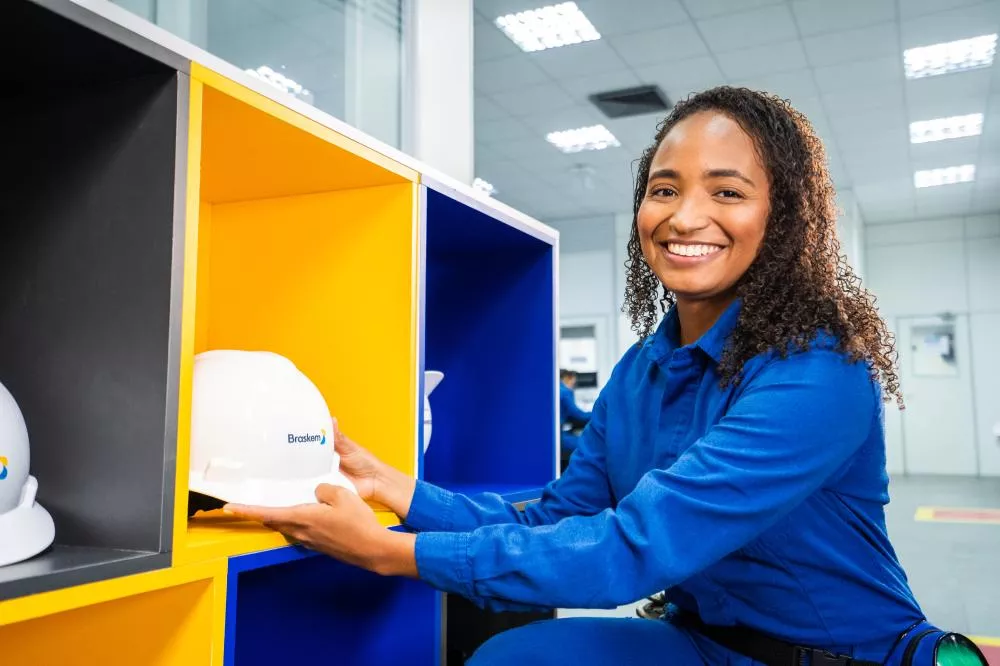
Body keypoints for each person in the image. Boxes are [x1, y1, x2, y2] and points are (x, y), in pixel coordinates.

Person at [225, 87, 982, 665]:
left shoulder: (819, 368)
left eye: (727, 191)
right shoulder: (640, 372)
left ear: (782, 220)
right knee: (509, 658)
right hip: (705, 640)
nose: (684, 217)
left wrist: (390, 552)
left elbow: (632, 549)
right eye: (664, 188)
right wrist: (398, 489)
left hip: (841, 657)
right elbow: (557, 518)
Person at [558, 368, 591, 455]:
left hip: (556, 435)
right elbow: (578, 416)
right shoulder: (564, 391)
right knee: (589, 444)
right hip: (560, 437)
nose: (573, 384)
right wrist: (597, 414)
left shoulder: (556, 389)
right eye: (573, 381)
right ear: (567, 378)